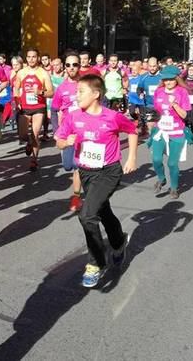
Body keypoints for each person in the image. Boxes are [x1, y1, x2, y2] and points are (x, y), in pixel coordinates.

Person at [55, 74, 137, 288]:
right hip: (86, 172)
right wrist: (66, 143)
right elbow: (59, 141)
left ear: (96, 94)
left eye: (81, 92)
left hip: (109, 171)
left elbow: (132, 130)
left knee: (87, 215)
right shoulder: (73, 116)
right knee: (102, 211)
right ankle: (118, 243)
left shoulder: (112, 116)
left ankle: (96, 263)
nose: (77, 95)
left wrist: (132, 157)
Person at [149, 65, 192, 199]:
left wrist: (174, 104)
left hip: (177, 132)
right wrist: (151, 120)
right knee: (156, 159)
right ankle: (162, 179)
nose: (168, 82)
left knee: (172, 163)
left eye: (171, 79)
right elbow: (156, 111)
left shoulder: (182, 92)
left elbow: (185, 115)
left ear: (176, 79)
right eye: (166, 79)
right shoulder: (159, 91)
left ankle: (174, 188)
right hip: (160, 130)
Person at [51, 52, 82, 212]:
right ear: (65, 66)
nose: (71, 68)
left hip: (84, 131)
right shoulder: (61, 88)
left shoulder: (86, 84)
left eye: (75, 64)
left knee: (78, 165)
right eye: (68, 65)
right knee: (68, 166)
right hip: (68, 132)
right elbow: (54, 109)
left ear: (79, 66)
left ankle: (76, 197)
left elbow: (100, 102)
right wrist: (56, 130)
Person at [14, 48, 54, 171]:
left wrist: (41, 92)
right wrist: (17, 102)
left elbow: (51, 92)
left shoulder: (43, 73)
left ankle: (34, 160)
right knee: (23, 135)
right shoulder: (21, 73)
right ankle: (29, 143)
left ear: (38, 58)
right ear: (26, 58)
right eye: (29, 57)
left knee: (35, 134)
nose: (31, 59)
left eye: (34, 57)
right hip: (25, 107)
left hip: (38, 107)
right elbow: (16, 88)